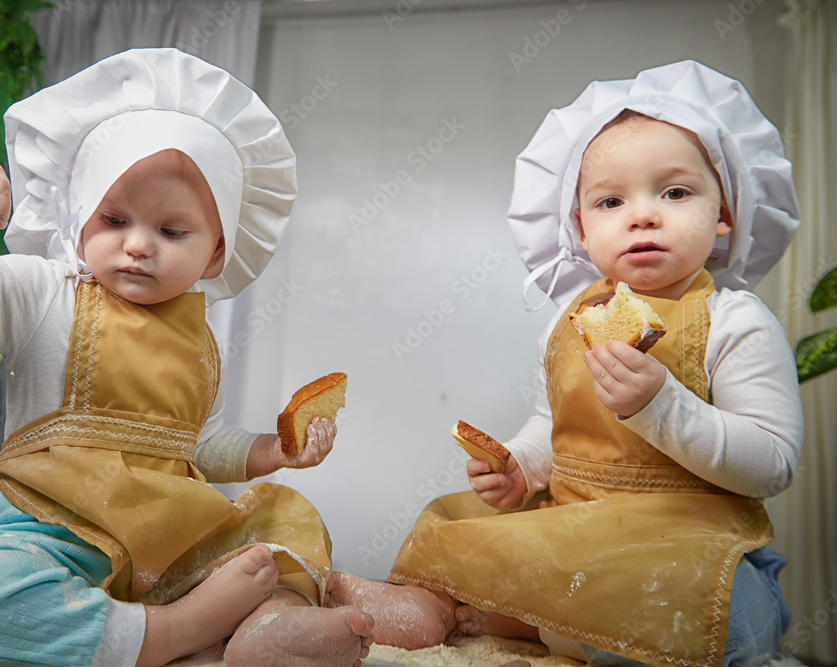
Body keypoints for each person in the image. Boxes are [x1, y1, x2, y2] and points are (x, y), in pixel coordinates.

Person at [0, 48, 372, 667]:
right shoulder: (39, 294)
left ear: (215, 253)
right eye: (114, 219)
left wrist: (273, 453)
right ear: (79, 218)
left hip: (172, 540)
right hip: (53, 536)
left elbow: (198, 444)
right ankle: (171, 631)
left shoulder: (200, 338)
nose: (138, 245)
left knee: (283, 526)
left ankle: (279, 625)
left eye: (171, 232)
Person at [325, 60, 802, 667]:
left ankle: (523, 618)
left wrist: (662, 405)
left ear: (725, 212)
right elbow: (556, 420)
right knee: (461, 527)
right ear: (580, 226)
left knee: (724, 625)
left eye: (676, 192)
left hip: (685, 539)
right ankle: (441, 607)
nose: (643, 214)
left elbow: (773, 465)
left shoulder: (737, 321)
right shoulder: (570, 319)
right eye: (610, 200)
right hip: (573, 521)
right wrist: (523, 467)